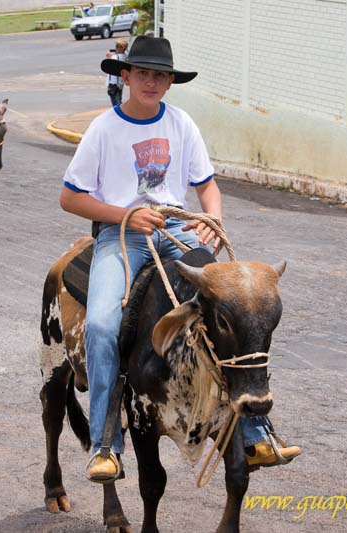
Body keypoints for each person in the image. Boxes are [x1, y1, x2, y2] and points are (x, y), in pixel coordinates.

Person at [59, 35, 301, 483]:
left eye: (161, 75)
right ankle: (105, 444)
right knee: (99, 326)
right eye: (144, 73)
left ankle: (254, 426)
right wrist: (124, 216)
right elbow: (70, 198)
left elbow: (207, 185)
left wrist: (212, 217)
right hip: (122, 235)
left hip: (176, 227)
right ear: (126, 76)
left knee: (234, 306)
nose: (152, 82)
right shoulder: (103, 129)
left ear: (170, 82)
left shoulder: (182, 123)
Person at [105, 39, 127, 107]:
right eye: (116, 46)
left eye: (118, 46)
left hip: (114, 84)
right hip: (119, 84)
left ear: (122, 48)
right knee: (119, 101)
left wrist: (109, 56)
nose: (116, 48)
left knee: (116, 105)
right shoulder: (125, 57)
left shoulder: (116, 57)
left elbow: (108, 62)